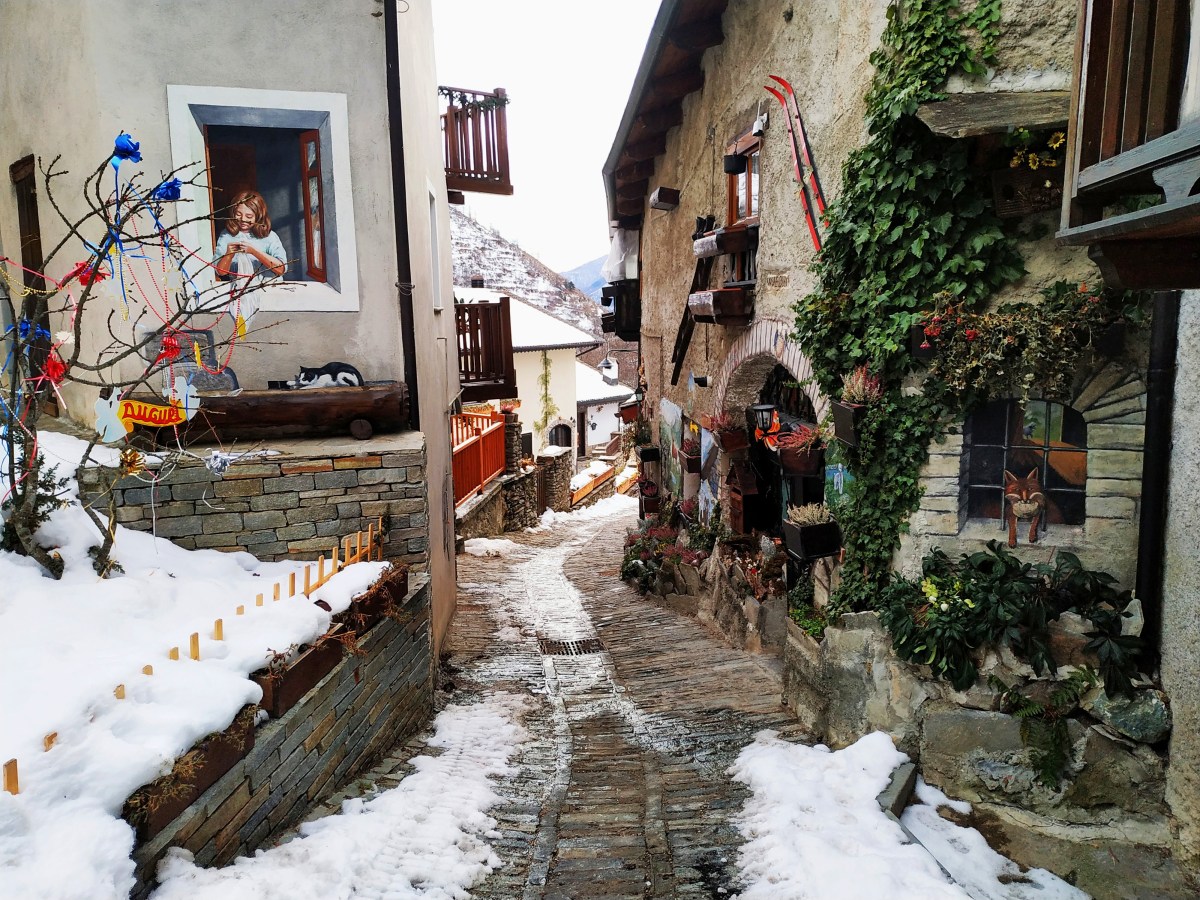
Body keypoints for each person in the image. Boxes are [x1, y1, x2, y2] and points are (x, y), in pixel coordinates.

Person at [214, 191, 286, 325]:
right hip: (239, 298)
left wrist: (254, 252)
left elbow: (281, 269)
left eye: (249, 216)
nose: (243, 220)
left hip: (268, 296)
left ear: (258, 216)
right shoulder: (226, 236)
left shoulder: (270, 237)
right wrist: (229, 255)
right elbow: (220, 271)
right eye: (238, 214)